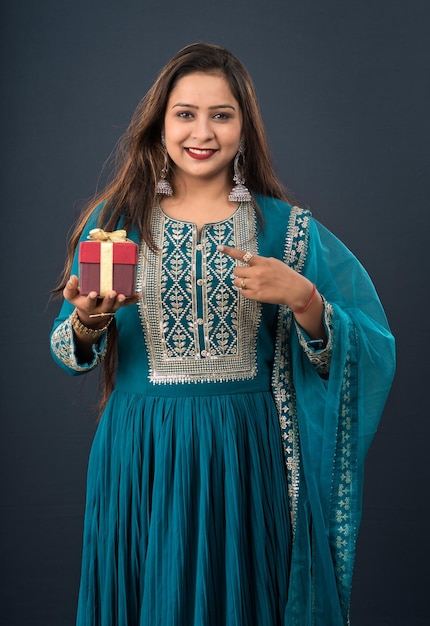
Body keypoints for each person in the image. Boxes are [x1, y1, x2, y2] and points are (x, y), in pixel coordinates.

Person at [50, 42, 395, 626]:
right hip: (142, 457)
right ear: (160, 126)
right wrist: (90, 319)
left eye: (221, 114)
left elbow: (371, 348)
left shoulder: (287, 230)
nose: (201, 131)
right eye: (185, 113)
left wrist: (304, 299)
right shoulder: (115, 221)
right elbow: (69, 349)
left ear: (244, 127)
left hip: (245, 458)